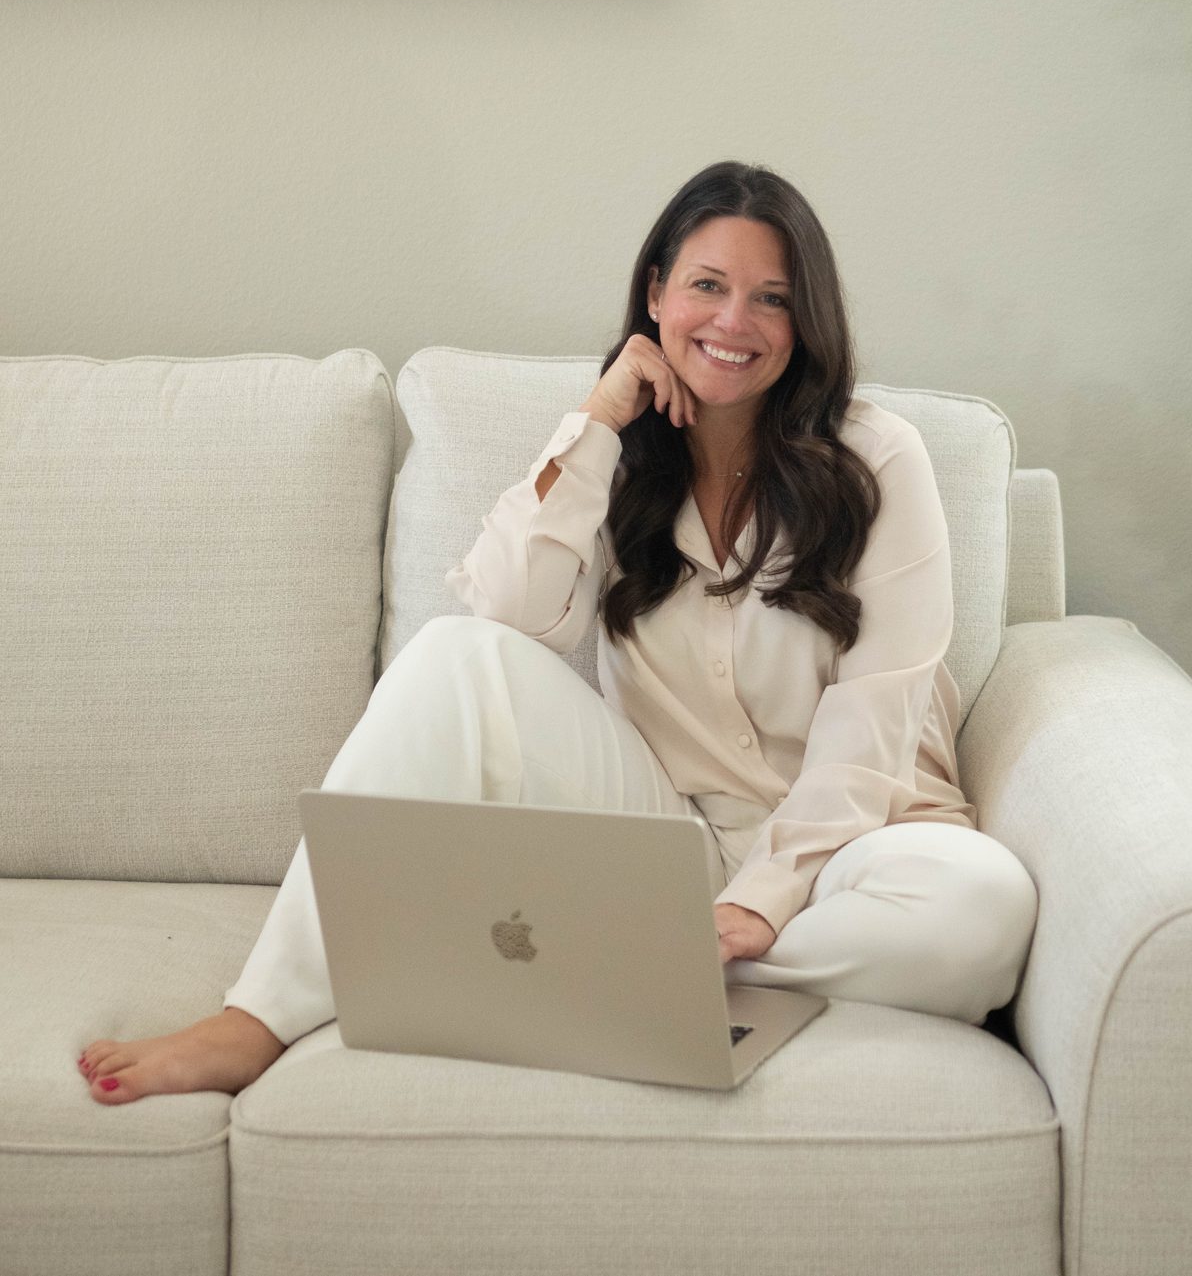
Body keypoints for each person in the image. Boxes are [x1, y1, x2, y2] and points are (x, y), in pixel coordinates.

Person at [77, 159, 1038, 1105]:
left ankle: (628, 969)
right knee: (456, 655)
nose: (735, 321)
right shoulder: (615, 458)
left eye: (772, 298)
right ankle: (257, 1019)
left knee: (983, 910)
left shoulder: (876, 459)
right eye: (707, 285)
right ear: (656, 294)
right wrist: (598, 419)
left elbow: (876, 720)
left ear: (807, 321)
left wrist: (765, 898)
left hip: (862, 848)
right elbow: (506, 616)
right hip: (676, 845)